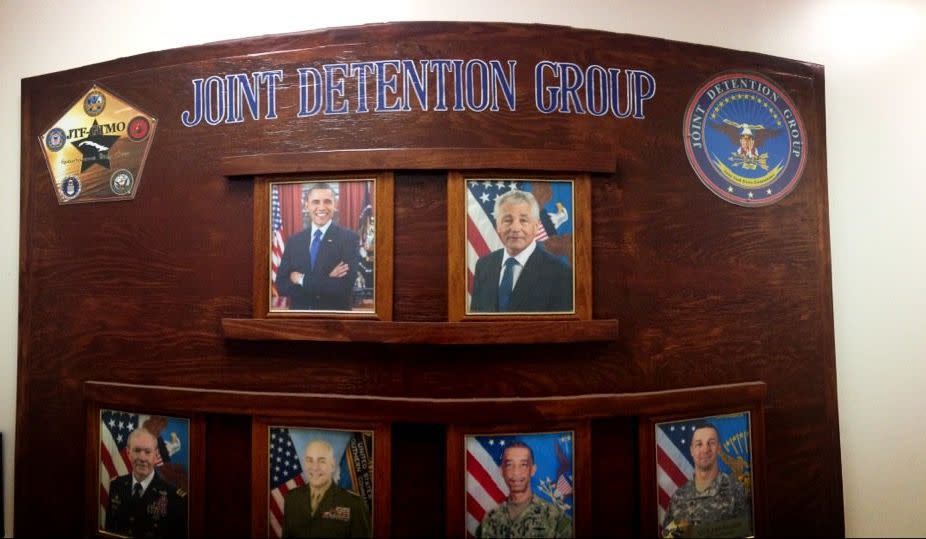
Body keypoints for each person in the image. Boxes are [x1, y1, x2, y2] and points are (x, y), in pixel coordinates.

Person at [469, 190, 573, 313]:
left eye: (523, 220)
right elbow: (476, 319)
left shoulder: (561, 273)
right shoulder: (483, 265)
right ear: (498, 226)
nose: (515, 228)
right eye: (507, 220)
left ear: (536, 226)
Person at [276, 183, 361, 310]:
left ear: (335, 205)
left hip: (334, 321)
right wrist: (327, 280)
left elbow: (344, 287)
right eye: (315, 202)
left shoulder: (349, 239)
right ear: (307, 205)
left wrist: (301, 279)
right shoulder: (294, 241)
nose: (321, 207)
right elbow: (281, 285)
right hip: (299, 319)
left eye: (327, 202)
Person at [662, 423, 751, 538]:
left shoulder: (736, 491)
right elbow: (668, 536)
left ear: (719, 448)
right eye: (699, 444)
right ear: (691, 450)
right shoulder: (678, 498)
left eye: (711, 443)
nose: (705, 449)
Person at [476, 442, 572, 538]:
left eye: (523, 464)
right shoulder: (489, 520)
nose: (516, 472)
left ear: (533, 470)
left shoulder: (557, 520)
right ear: (502, 471)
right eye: (509, 465)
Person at [105, 428, 187, 539]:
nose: (142, 458)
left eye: (147, 452)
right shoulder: (116, 485)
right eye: (137, 450)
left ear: (156, 455)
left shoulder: (174, 497)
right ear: (128, 453)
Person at [282, 440, 371, 538]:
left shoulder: (354, 504)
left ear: (332, 465)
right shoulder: (292, 498)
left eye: (322, 461)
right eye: (310, 460)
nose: (315, 467)